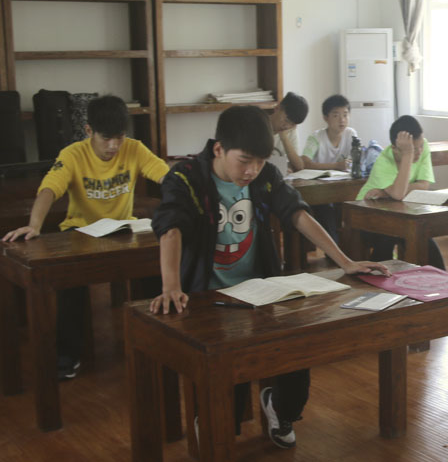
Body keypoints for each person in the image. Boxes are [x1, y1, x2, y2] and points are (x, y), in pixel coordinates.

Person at [148, 105, 389, 448]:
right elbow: (170, 227)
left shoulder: (265, 176)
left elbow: (297, 214)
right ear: (219, 149)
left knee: (297, 352)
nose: (252, 171)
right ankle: (215, 419)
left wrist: (345, 261)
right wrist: (171, 286)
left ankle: (279, 407)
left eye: (260, 162)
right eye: (244, 161)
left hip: (261, 291)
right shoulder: (185, 177)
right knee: (227, 387)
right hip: (206, 297)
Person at [2, 95, 169, 380]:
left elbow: (167, 177)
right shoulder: (73, 154)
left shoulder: (134, 149)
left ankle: (155, 344)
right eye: (106, 139)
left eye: (119, 138)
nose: (113, 146)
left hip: (123, 229)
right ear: (89, 130)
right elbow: (49, 189)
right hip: (81, 231)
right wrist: (34, 225)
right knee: (70, 284)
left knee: (157, 266)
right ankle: (67, 355)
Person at [356, 115, 446, 270]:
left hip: (399, 214)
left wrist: (388, 192)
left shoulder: (422, 145)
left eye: (420, 147)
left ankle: (441, 279)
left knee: (423, 237)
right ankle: (378, 278)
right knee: (388, 236)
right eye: (413, 149)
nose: (418, 152)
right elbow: (399, 194)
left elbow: (423, 185)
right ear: (394, 149)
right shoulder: (384, 161)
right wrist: (407, 154)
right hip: (367, 214)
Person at [299, 94, 360, 241]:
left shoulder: (351, 134)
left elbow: (356, 159)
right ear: (326, 118)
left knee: (354, 207)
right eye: (336, 115)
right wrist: (336, 166)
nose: (342, 120)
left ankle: (351, 247)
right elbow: (305, 163)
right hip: (318, 190)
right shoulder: (316, 137)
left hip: (343, 188)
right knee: (326, 210)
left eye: (345, 114)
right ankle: (333, 248)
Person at [271, 92, 310, 172]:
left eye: (292, 124)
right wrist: (282, 168)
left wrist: (284, 138)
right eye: (286, 120)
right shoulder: (260, 125)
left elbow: (299, 166)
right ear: (277, 108)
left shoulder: (290, 131)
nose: (287, 126)